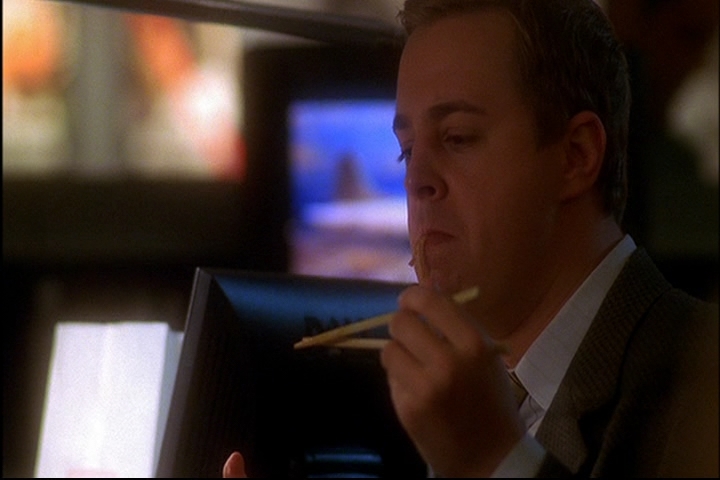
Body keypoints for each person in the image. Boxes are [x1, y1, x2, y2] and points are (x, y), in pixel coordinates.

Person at [224, 0, 719, 477]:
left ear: (576, 155)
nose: (416, 180)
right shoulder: (449, 403)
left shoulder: (703, 381)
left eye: (457, 137)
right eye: (406, 150)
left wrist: (494, 463)